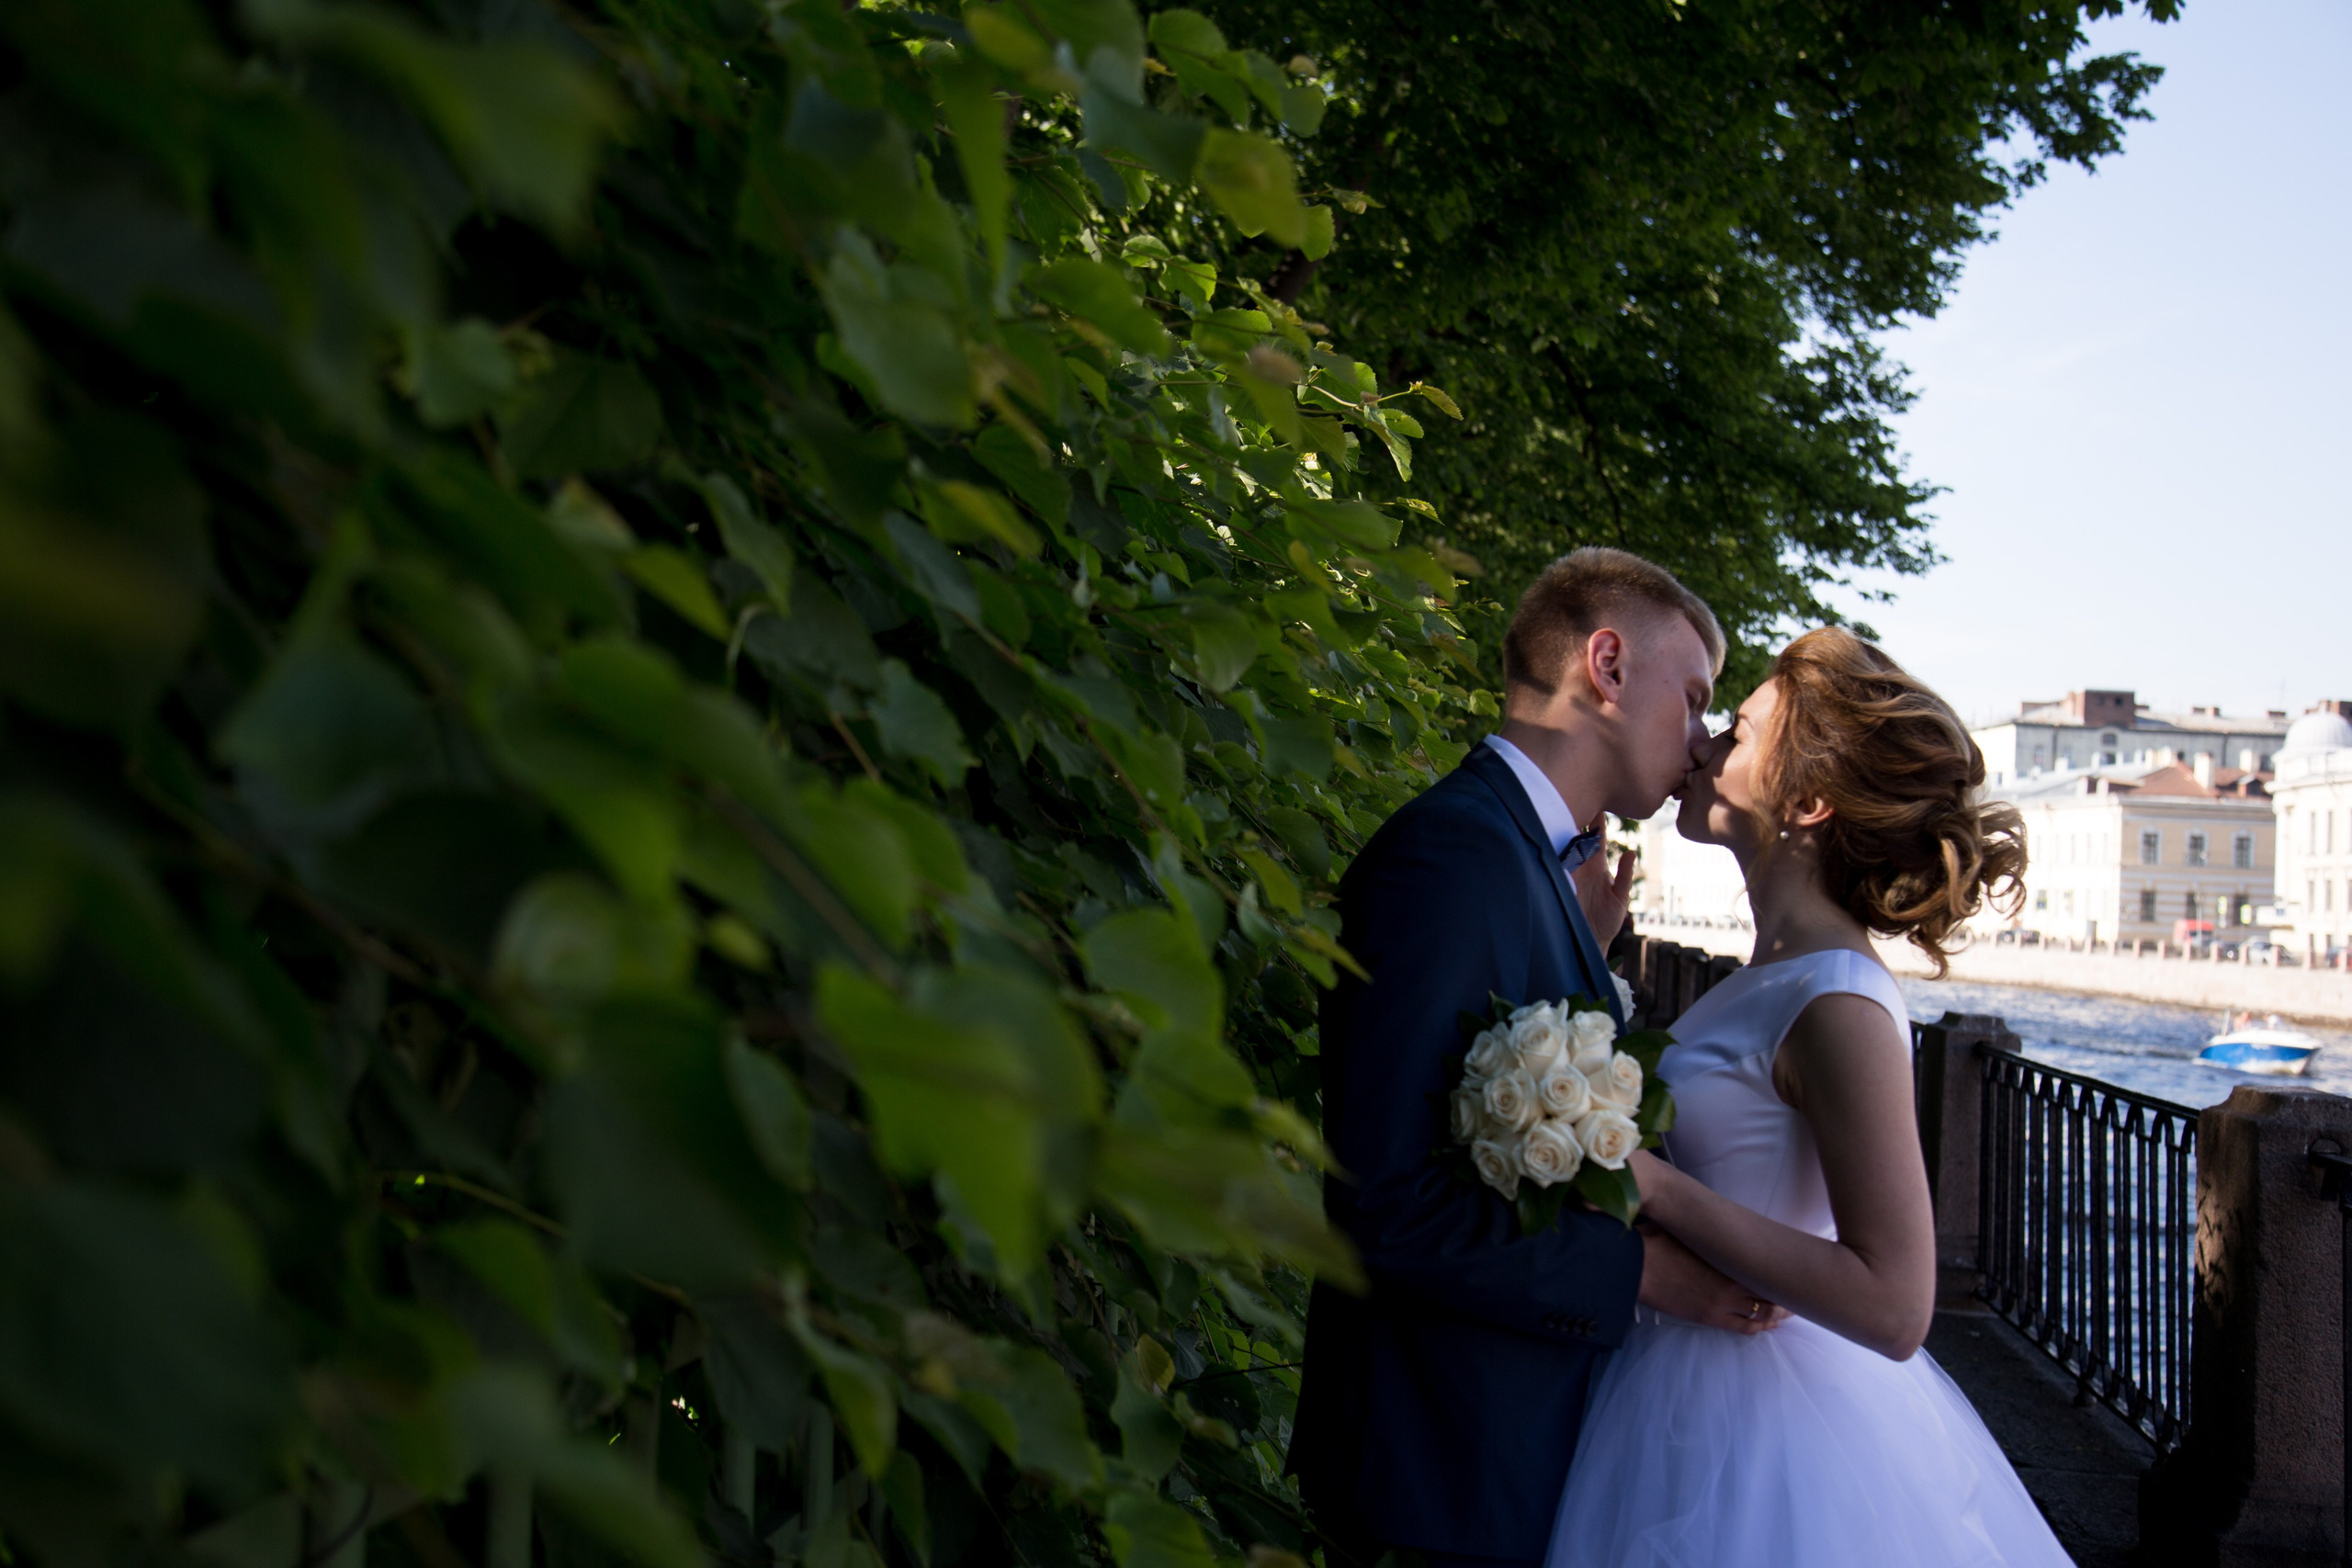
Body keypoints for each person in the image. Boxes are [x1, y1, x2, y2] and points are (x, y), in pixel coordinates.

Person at [1287, 548, 1783, 1568]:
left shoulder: (1520, 859)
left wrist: (1584, 959)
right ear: (1605, 664)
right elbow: (1385, 1199)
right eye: (1692, 700)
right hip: (1435, 1470)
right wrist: (1643, 1272)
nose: (1699, 742)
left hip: (1484, 1461)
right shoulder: (1456, 855)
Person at [1544, 626, 2061, 1566]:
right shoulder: (1773, 972)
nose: (1701, 745)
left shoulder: (1838, 1002)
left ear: (1809, 801)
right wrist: (1590, 954)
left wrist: (1655, 1190)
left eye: (1737, 732)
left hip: (1761, 1420)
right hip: (1676, 1372)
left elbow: (1895, 1306)